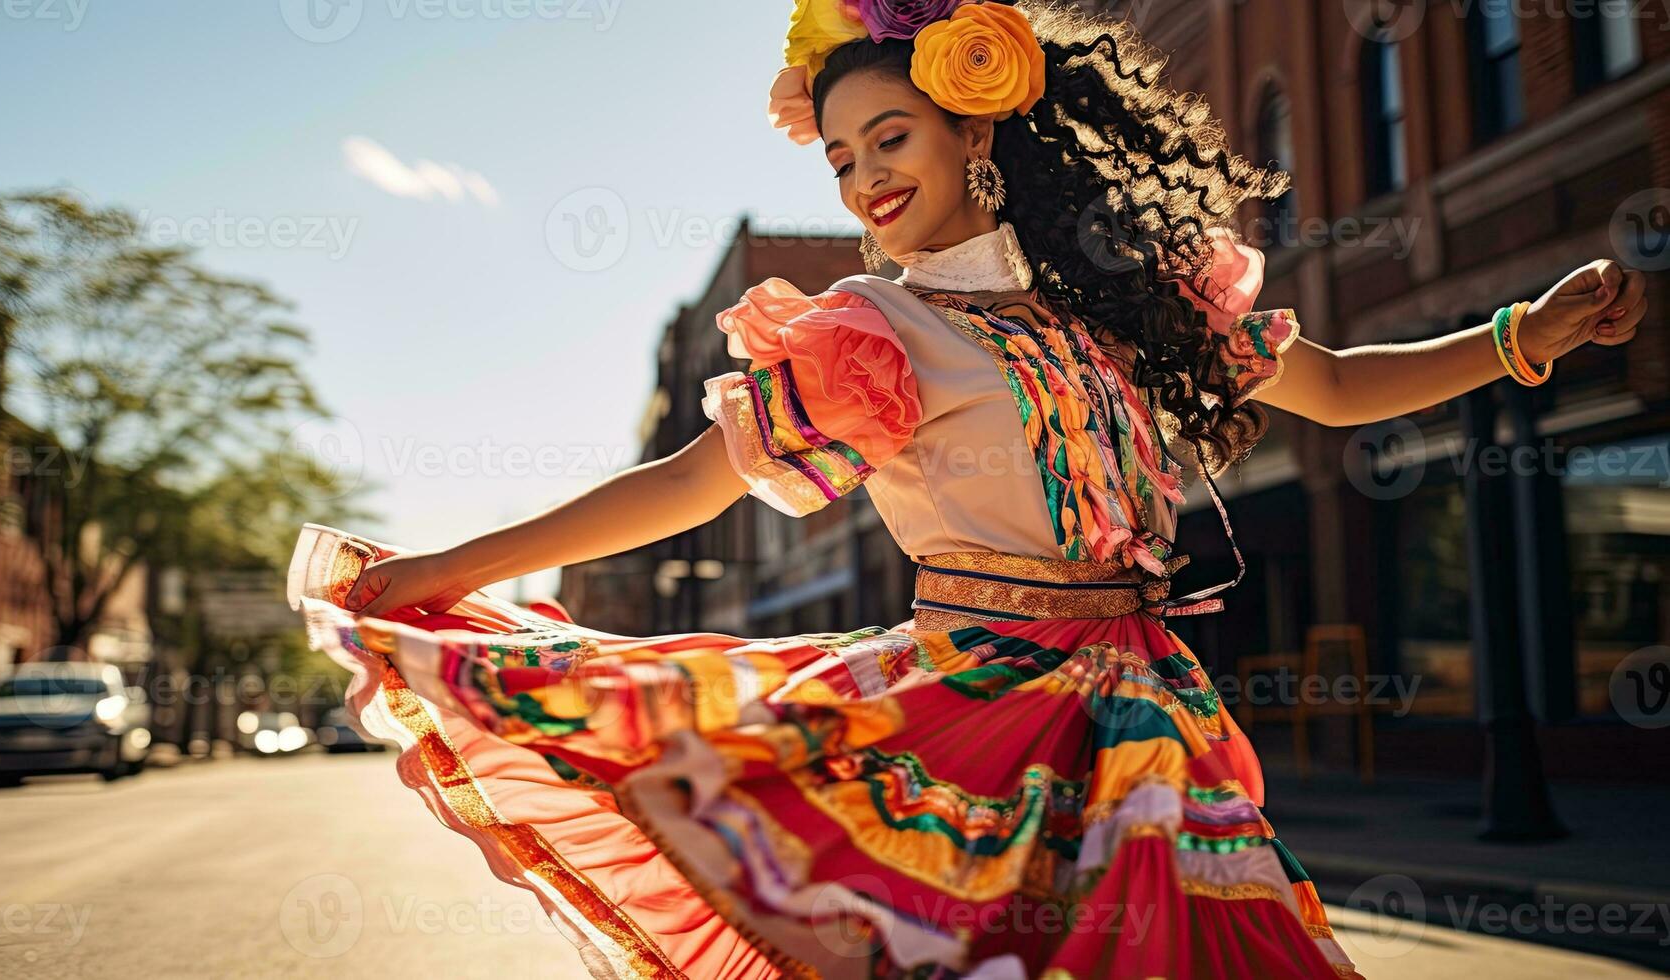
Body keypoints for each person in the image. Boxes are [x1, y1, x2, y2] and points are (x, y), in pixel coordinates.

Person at [284, 2, 1648, 977]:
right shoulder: (869, 334)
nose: (867, 178)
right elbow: (687, 486)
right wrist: (436, 576)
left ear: (973, 126)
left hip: (1151, 711)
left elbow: (1339, 386)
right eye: (839, 160)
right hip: (973, 716)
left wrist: (1523, 335)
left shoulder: (1127, 303)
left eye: (889, 138)